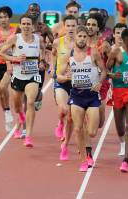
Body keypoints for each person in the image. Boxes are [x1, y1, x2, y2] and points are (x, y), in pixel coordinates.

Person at [59, 25, 106, 171]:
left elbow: (103, 71)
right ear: (75, 38)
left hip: (91, 96)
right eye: (79, 36)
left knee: (91, 131)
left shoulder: (94, 53)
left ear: (87, 38)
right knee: (78, 129)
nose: (82, 39)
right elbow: (58, 76)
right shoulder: (69, 55)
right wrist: (65, 77)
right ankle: (84, 161)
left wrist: (99, 82)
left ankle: (86, 148)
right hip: (76, 96)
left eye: (84, 36)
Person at [0, 14, 45, 147]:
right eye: (23, 24)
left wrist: (41, 60)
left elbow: (43, 50)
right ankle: (20, 116)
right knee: (18, 107)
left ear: (32, 26)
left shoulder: (38, 39)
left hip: (33, 75)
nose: (26, 26)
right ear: (20, 25)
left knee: (30, 102)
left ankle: (28, 136)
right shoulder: (15, 38)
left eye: (28, 24)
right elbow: (2, 53)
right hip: (18, 76)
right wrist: (15, 59)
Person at [106, 28, 128, 172]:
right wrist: (112, 76)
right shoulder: (116, 52)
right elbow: (105, 70)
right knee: (120, 126)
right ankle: (122, 141)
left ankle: (126, 159)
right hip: (118, 92)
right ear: (125, 40)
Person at [85, 13, 111, 161]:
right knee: (84, 117)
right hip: (83, 84)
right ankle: (87, 150)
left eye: (93, 25)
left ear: (99, 27)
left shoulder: (104, 44)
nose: (90, 27)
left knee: (99, 124)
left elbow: (112, 63)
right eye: (88, 24)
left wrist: (109, 75)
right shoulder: (80, 42)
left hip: (101, 84)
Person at [51, 15, 77, 160]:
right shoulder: (57, 42)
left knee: (72, 117)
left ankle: (65, 145)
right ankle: (60, 122)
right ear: (64, 27)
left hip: (76, 83)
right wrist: (52, 69)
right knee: (64, 109)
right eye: (69, 26)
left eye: (73, 26)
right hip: (61, 80)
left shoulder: (81, 44)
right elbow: (53, 55)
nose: (71, 28)